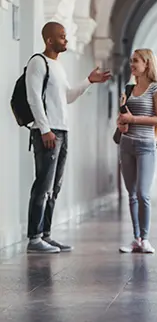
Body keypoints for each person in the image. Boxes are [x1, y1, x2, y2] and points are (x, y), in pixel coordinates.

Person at [25, 21, 111, 253]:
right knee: (43, 184)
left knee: (55, 186)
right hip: (48, 131)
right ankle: (34, 238)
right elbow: (33, 98)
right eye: (62, 36)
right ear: (49, 40)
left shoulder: (58, 67)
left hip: (62, 130)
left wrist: (88, 81)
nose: (66, 40)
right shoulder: (38, 62)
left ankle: (46, 234)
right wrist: (44, 129)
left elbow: (67, 97)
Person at [116, 49, 157, 254]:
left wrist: (133, 120)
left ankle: (145, 238)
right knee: (132, 194)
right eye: (130, 61)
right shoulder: (128, 87)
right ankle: (136, 238)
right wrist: (121, 123)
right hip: (126, 144)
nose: (132, 65)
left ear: (147, 64)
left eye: (135, 61)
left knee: (143, 193)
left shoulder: (156, 89)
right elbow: (122, 116)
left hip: (146, 145)